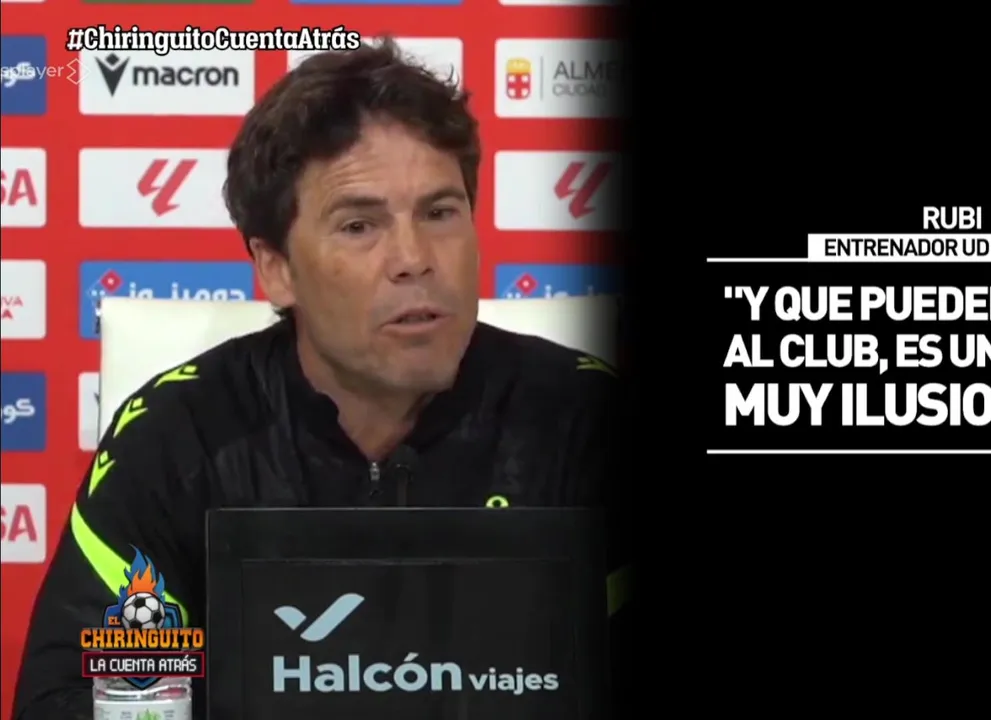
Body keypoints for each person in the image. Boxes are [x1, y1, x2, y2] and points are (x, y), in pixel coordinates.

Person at [11, 40, 626, 719]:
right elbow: (79, 700)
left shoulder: (584, 423)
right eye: (359, 225)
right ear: (275, 268)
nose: (414, 258)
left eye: (440, 212)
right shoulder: (180, 439)